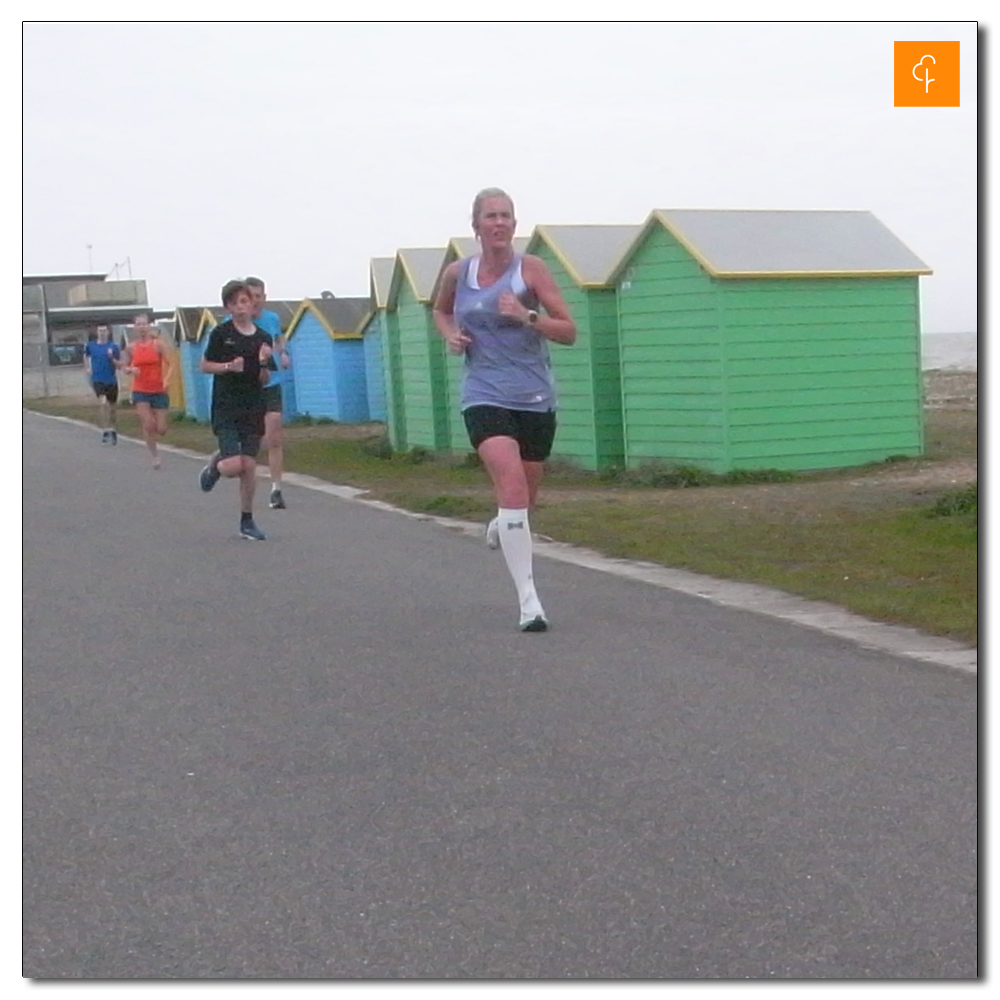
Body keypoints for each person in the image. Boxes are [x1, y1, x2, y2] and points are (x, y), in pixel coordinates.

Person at [433, 187, 576, 632]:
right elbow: (439, 311)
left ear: (515, 225)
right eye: (491, 216)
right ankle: (529, 601)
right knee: (512, 487)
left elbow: (569, 331)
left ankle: (502, 522)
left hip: (534, 397)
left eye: (506, 216)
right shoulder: (459, 272)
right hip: (484, 393)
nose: (499, 223)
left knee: (524, 503)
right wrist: (450, 335)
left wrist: (526, 316)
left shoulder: (529, 270)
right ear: (476, 225)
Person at [198, 279, 274, 541]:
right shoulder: (222, 334)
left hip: (253, 407)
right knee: (233, 466)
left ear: (251, 303)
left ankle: (247, 521)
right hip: (227, 406)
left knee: (249, 466)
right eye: (234, 303)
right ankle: (214, 467)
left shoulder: (264, 338)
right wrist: (228, 367)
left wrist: (263, 363)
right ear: (228, 307)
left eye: (244, 301)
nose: (240, 307)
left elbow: (265, 378)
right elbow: (205, 365)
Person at [245, 276, 291, 509]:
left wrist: (283, 353)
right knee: (250, 440)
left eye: (258, 296)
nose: (254, 301)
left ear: (264, 296)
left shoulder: (272, 318)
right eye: (250, 296)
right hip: (247, 387)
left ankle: (276, 489)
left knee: (274, 436)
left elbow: (279, 339)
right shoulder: (237, 323)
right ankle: (222, 457)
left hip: (271, 383)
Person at [121, 313, 172, 468]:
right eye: (139, 325)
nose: (142, 327)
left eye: (144, 324)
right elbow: (124, 367)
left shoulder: (158, 344)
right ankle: (154, 455)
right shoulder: (131, 347)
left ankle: (156, 426)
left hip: (158, 388)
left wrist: (167, 379)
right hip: (140, 390)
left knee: (161, 429)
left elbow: (171, 364)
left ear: (149, 326)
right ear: (135, 328)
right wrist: (131, 370)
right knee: (148, 424)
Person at [83, 325, 121, 444]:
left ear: (108, 332)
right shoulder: (91, 345)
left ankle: (113, 429)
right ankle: (105, 429)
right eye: (100, 331)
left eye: (104, 331)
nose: (102, 333)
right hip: (98, 379)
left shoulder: (113, 346)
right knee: (103, 402)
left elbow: (118, 364)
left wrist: (111, 357)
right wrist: (88, 367)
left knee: (112, 407)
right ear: (97, 332)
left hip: (111, 380)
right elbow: (85, 355)